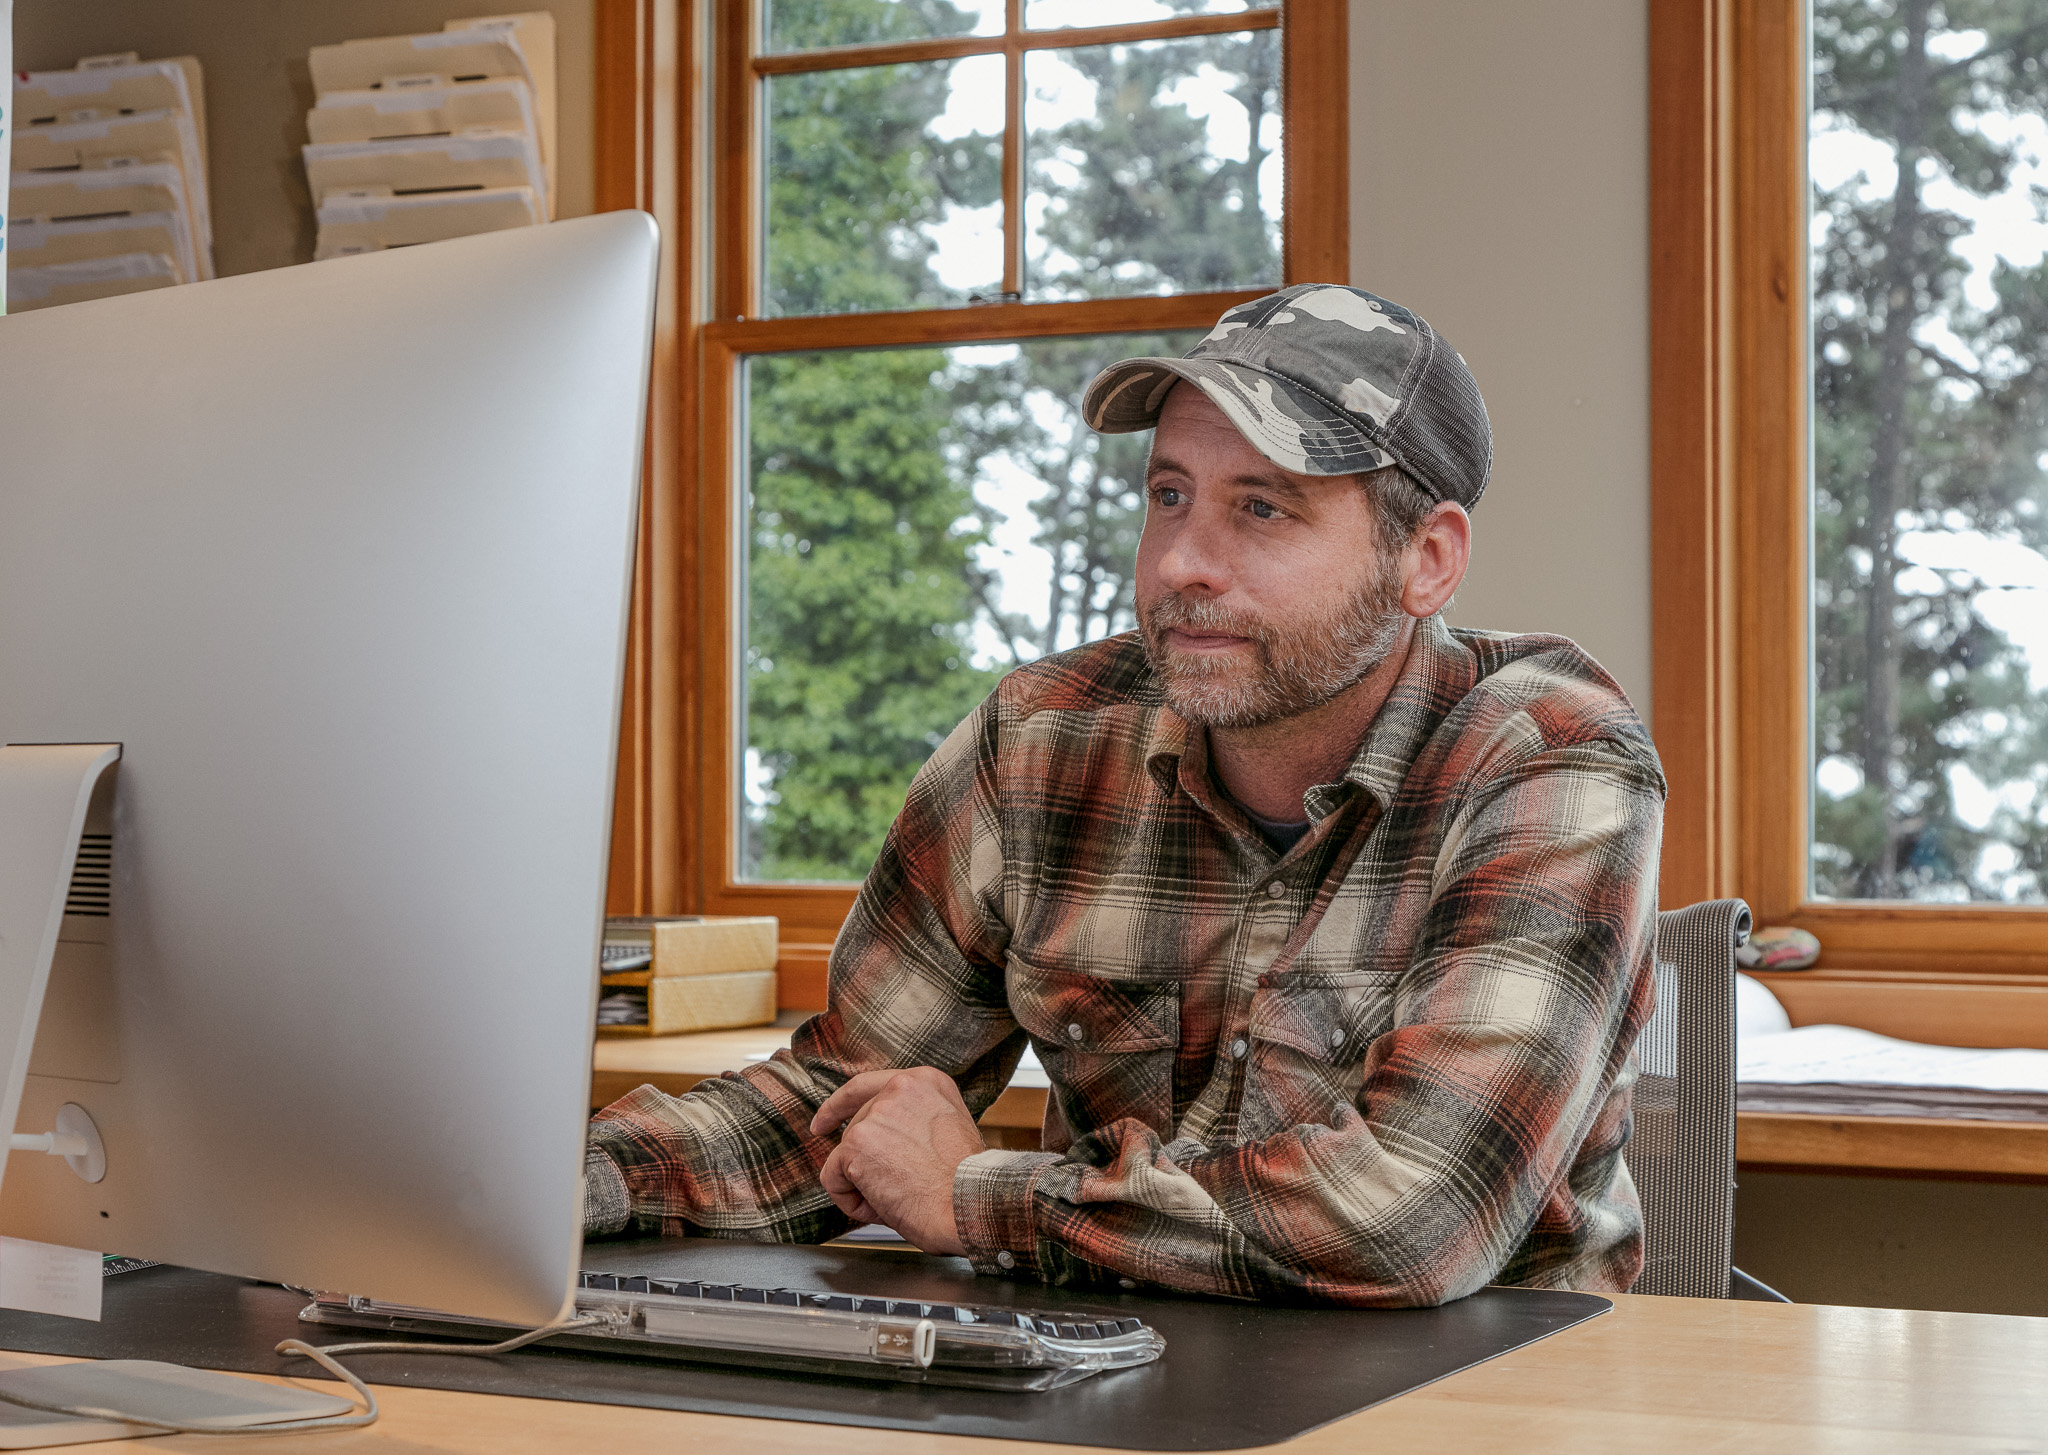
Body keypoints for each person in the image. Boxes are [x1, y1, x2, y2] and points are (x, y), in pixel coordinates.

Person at [584, 285, 1665, 1307]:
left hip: (1483, 1394)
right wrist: (566, 1184)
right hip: (1127, 1372)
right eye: (1168, 496)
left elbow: (1412, 1223)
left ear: (1424, 560)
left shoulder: (1547, 758)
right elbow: (837, 1114)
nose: (1182, 562)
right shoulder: (1040, 745)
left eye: (1261, 510)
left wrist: (980, 1200)